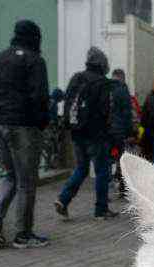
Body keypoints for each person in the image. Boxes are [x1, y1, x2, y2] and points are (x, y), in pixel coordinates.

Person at [0, 20, 50, 248]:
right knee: (27, 181)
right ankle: (23, 234)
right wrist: (42, 123)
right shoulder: (34, 60)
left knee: (11, 175)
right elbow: (39, 96)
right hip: (23, 126)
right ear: (35, 37)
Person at [55, 47, 130, 220]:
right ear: (102, 64)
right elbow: (106, 111)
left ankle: (63, 199)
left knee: (81, 168)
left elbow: (68, 102)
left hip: (76, 132)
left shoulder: (77, 78)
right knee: (102, 171)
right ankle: (101, 209)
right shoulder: (103, 83)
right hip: (96, 135)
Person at [109, 68, 140, 198]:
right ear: (122, 77)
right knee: (121, 159)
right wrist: (130, 133)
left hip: (106, 131)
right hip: (119, 132)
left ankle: (104, 192)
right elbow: (128, 114)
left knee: (108, 159)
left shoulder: (106, 88)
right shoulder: (123, 90)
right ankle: (122, 186)